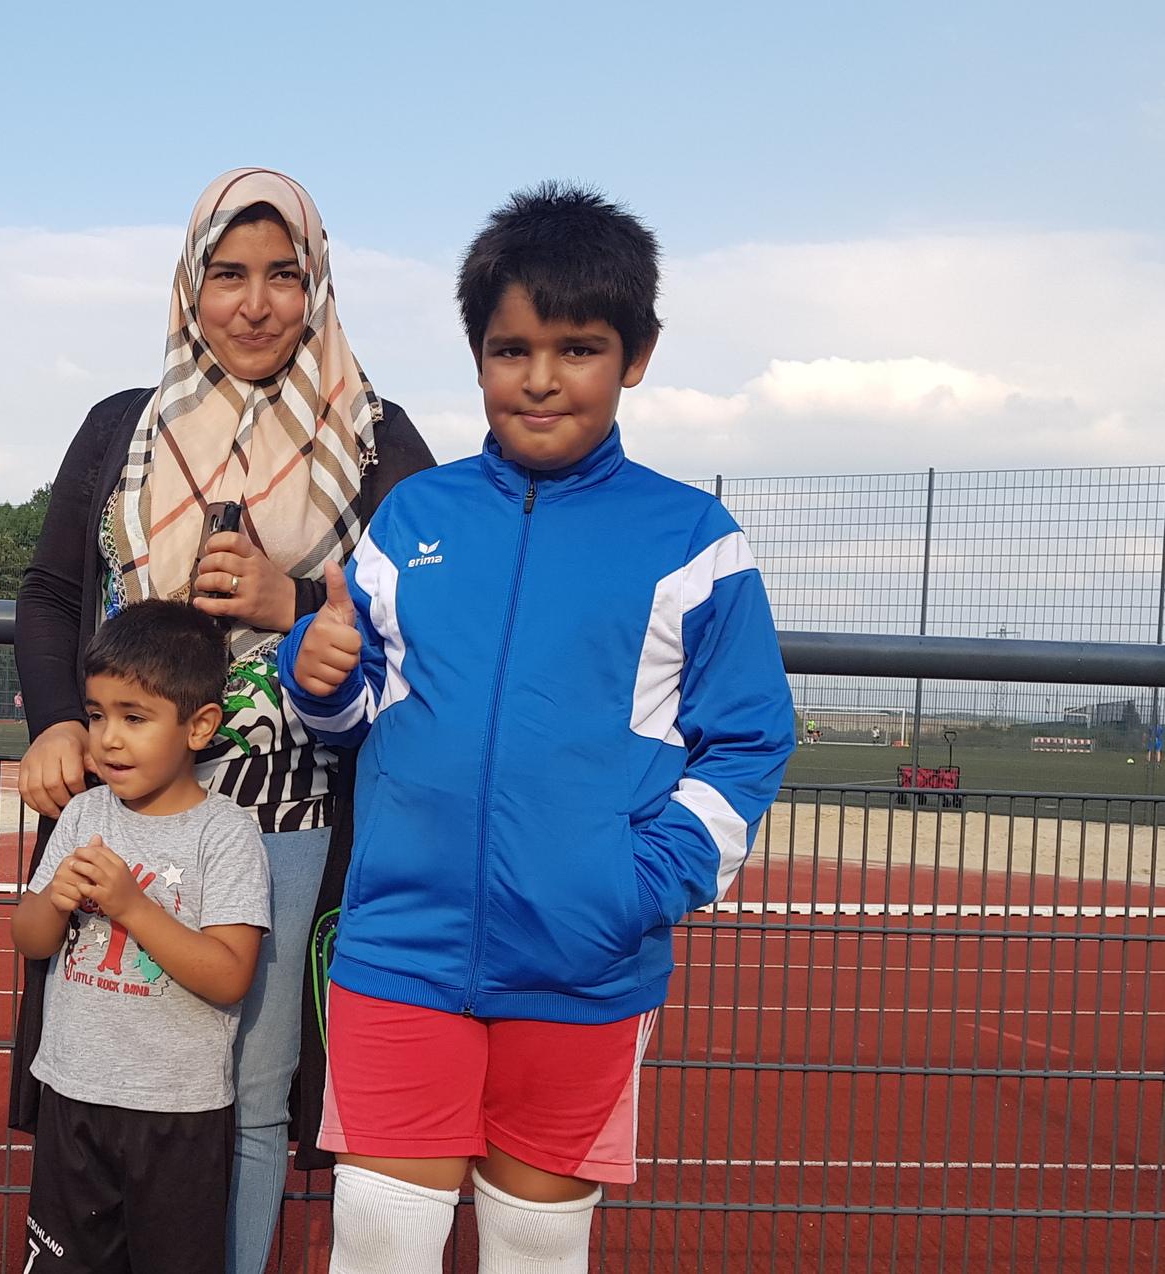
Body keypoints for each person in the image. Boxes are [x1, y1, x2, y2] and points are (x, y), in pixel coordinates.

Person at [280, 184, 796, 1273]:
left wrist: (639, 881)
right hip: (400, 950)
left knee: (533, 1250)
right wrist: (315, 670)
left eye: (580, 347)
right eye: (512, 348)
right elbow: (353, 701)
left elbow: (748, 738)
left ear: (636, 356)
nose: (544, 376)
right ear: (477, 357)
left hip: (584, 960)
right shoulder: (415, 515)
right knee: (378, 1240)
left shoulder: (693, 539)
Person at [8, 167, 435, 1273]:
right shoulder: (123, 428)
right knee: (103, 1048)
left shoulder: (377, 438)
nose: (254, 303)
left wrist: (287, 599)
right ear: (189, 289)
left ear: (319, 286)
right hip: (128, 792)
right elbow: (52, 592)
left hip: (289, 808)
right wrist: (56, 720)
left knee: (246, 1085)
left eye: (284, 275)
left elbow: (432, 619)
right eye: (228, 275)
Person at [11, 600, 271, 1272]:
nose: (108, 739)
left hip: (175, 1115)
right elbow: (31, 939)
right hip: (72, 1096)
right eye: (96, 716)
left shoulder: (227, 833)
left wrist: (132, 906)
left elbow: (228, 974)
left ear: (199, 725)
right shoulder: (83, 814)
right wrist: (53, 899)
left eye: (134, 718)